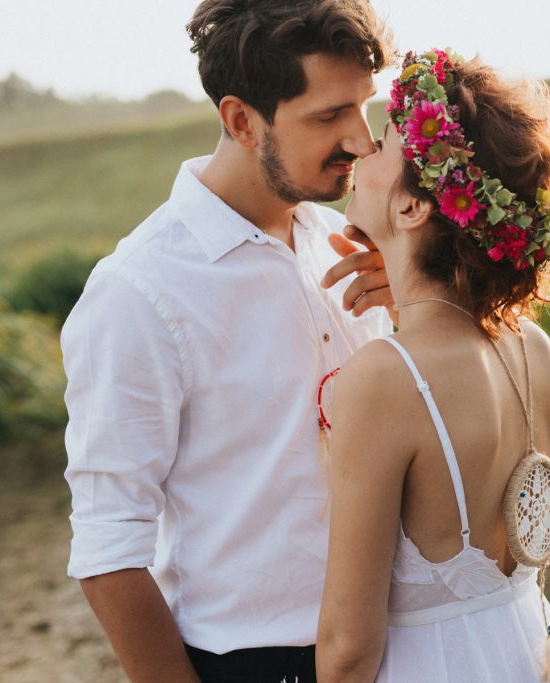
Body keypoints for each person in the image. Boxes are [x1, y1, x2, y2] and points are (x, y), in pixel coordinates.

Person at [61, 2, 394, 681]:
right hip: (258, 661)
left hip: (395, 643)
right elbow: (107, 552)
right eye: (329, 116)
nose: (363, 140)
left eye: (365, 108)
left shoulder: (352, 249)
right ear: (242, 120)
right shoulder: (138, 293)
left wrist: (414, 306)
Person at [316, 49, 550, 682]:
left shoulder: (385, 381)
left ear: (415, 209)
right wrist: (407, 295)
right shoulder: (533, 352)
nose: (360, 152)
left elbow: (349, 646)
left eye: (381, 145)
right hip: (528, 651)